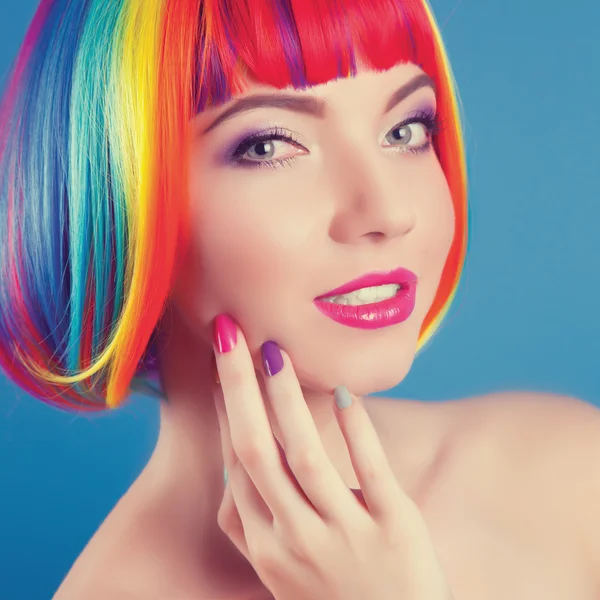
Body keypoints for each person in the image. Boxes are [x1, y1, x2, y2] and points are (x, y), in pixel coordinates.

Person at [1, 0, 599, 598]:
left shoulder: (567, 470)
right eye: (268, 146)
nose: (387, 212)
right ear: (117, 197)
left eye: (405, 130)